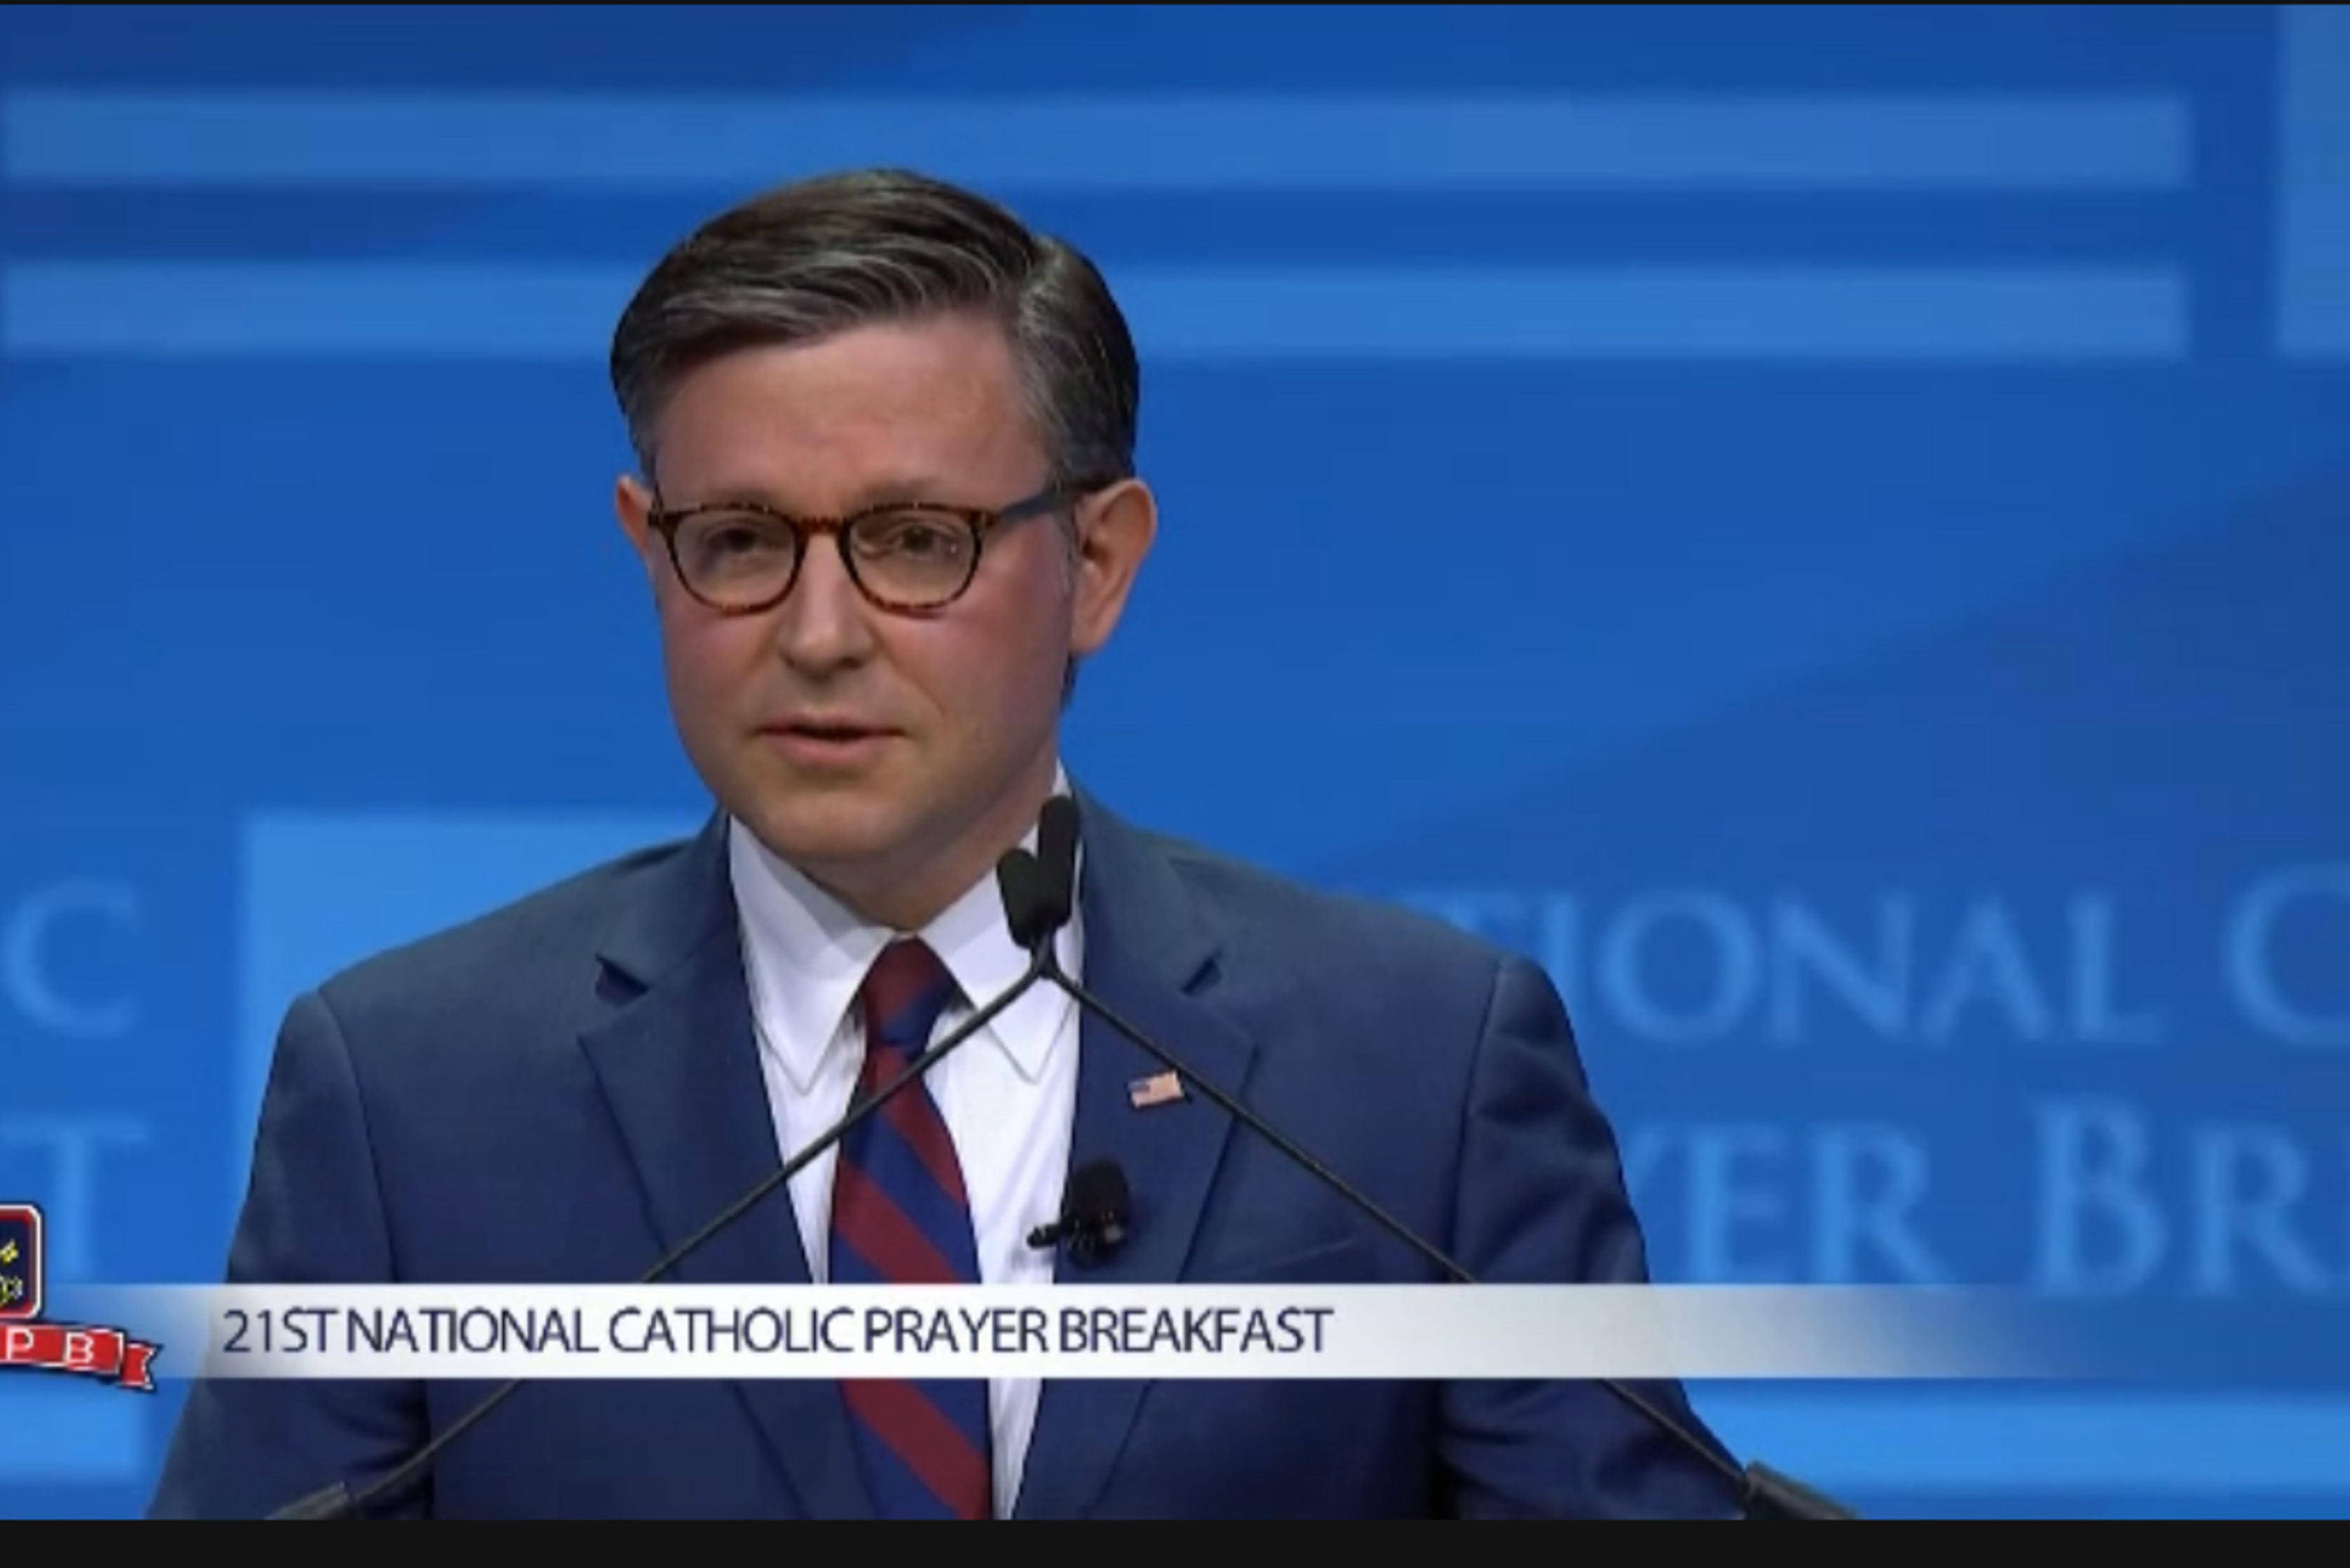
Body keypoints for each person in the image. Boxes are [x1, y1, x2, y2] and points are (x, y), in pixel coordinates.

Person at [147, 168, 1742, 1520]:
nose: (821, 632)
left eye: (918, 542)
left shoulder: (1411, 1077)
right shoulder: (409, 1092)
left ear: (1099, 564)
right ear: (652, 554)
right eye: (743, 543)